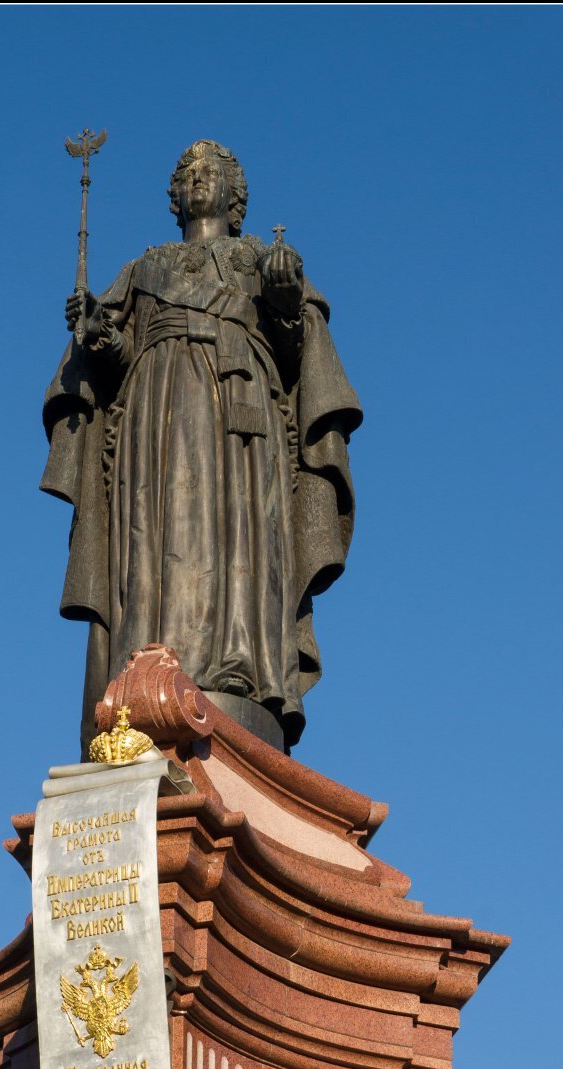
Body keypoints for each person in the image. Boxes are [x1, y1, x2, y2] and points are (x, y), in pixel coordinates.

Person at [41, 139, 362, 753]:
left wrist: (288, 301)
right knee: (154, 536)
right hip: (154, 416)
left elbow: (300, 360)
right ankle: (144, 671)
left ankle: (237, 669)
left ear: (235, 195)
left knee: (235, 531)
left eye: (209, 172)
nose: (195, 179)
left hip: (238, 418)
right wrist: (99, 336)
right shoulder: (142, 267)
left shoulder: (259, 259)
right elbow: (111, 361)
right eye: (185, 173)